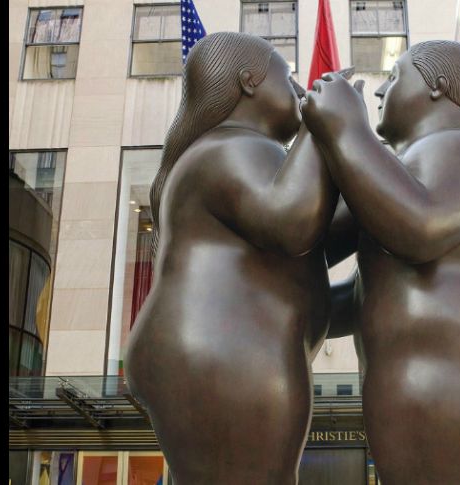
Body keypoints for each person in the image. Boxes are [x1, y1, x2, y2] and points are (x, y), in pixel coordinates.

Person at [302, 40, 460, 484]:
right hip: (415, 370)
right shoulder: (401, 170)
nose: (379, 91)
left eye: (394, 78)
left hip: (457, 366)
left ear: (438, 87)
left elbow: (422, 227)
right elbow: (359, 288)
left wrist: (346, 130)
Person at [124, 32, 337, 485]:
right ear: (249, 82)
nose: (301, 90)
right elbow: (293, 222)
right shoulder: (231, 147)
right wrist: (322, 127)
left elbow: (313, 236)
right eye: (288, 78)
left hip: (220, 353)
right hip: (220, 357)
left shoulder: (237, 152)